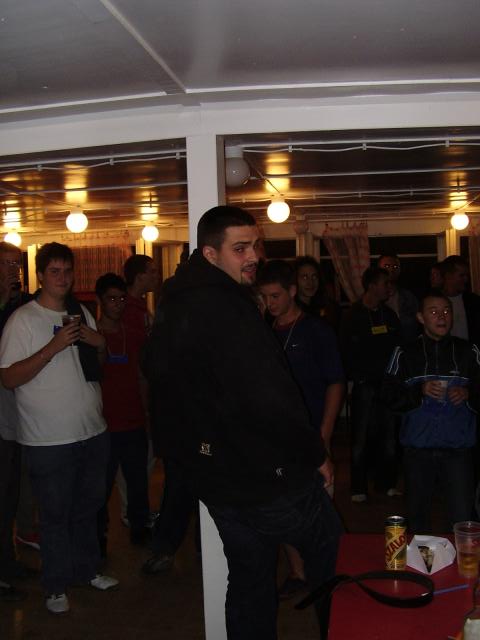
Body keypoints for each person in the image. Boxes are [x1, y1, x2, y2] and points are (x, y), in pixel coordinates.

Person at [145, 205, 342, 640]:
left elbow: (158, 376)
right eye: (240, 249)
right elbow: (271, 397)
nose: (254, 256)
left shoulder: (175, 300)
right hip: (261, 475)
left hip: (216, 478)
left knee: (250, 579)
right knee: (333, 556)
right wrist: (316, 454)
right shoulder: (226, 307)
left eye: (255, 245)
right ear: (210, 254)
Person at [0, 242, 118, 615]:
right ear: (40, 276)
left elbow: (98, 364)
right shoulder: (22, 320)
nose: (62, 278)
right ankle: (54, 587)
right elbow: (9, 378)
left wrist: (99, 343)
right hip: (48, 439)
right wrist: (52, 347)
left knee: (88, 508)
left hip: (92, 430)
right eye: (54, 272)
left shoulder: (80, 312)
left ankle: (86, 570)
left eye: (67, 271)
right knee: (54, 516)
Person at [257, 259, 345, 599]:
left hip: (311, 433)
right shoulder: (263, 331)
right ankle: (298, 573)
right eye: (264, 297)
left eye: (275, 296)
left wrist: (324, 434)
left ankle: (328, 575)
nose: (270, 303)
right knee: (282, 508)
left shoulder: (315, 330)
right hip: (277, 439)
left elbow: (335, 383)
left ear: (292, 291)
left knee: (318, 509)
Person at [383, 291, 480, 531]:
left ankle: (461, 557)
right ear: (420, 317)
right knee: (418, 521)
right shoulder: (405, 353)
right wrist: (419, 391)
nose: (442, 316)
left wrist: (469, 394)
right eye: (433, 311)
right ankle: (420, 558)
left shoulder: (469, 351)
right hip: (418, 451)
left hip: (458, 451)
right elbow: (387, 396)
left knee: (462, 519)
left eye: (446, 311)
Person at [95, 273, 150, 553]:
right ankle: (98, 536)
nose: (117, 304)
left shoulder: (134, 335)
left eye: (120, 299)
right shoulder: (93, 337)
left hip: (133, 421)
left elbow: (142, 377)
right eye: (111, 299)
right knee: (100, 487)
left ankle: (140, 528)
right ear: (100, 301)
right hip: (103, 425)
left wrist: (147, 414)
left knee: (138, 481)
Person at [339, 267, 401, 502]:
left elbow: (399, 349)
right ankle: (358, 487)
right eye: (385, 283)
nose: (389, 288)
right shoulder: (352, 315)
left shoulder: (389, 315)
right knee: (360, 437)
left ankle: (387, 484)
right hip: (364, 384)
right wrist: (357, 377)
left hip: (387, 385)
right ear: (372, 285)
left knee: (389, 437)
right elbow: (344, 350)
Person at [0, 241, 32, 602]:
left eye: (15, 264)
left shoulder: (20, 305)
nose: (13, 270)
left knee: (11, 491)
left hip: (14, 411)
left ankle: (8, 562)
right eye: (6, 264)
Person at [377, 253, 419, 343]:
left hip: (405, 344)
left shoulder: (408, 297)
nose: (391, 269)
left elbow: (416, 325)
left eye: (395, 267)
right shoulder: (373, 297)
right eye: (387, 266)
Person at [440, 255, 480, 346]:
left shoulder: (474, 302)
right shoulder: (433, 302)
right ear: (448, 276)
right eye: (461, 275)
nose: (466, 279)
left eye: (466, 275)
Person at [294, 256, 341, 331]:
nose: (310, 282)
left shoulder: (326, 307)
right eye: (304, 277)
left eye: (314, 277)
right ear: (295, 280)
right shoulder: (292, 310)